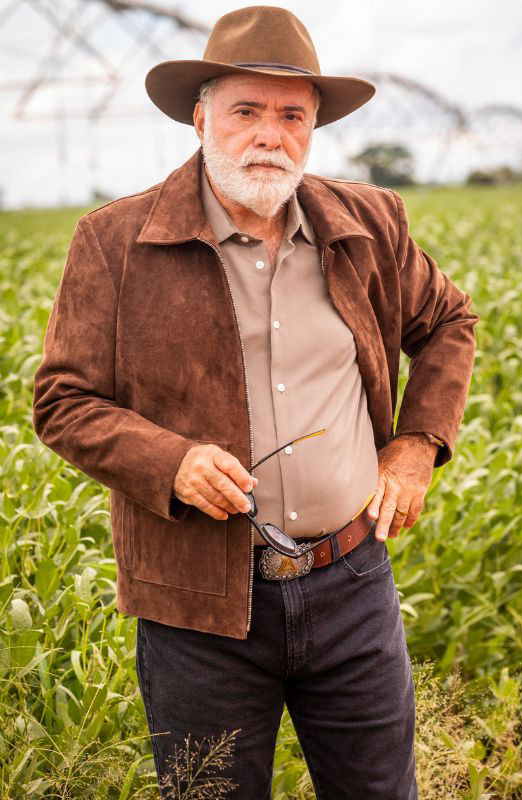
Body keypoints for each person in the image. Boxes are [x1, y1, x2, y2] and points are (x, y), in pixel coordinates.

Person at [32, 6, 477, 797]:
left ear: (312, 128)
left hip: (352, 583)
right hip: (199, 605)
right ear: (201, 118)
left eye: (292, 116)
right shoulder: (114, 241)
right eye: (246, 111)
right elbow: (64, 401)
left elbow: (448, 321)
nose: (270, 134)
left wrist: (416, 445)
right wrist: (170, 462)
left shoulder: (370, 222)